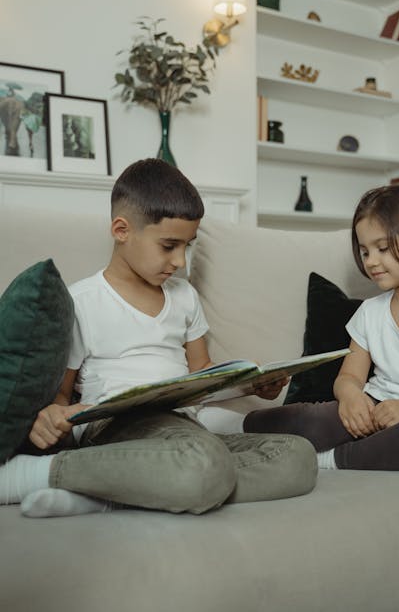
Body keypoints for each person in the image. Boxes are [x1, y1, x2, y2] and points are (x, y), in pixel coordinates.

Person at [0, 159, 316, 517]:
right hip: (112, 427)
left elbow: (203, 375)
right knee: (203, 461)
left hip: (183, 428)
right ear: (122, 230)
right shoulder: (84, 301)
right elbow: (61, 395)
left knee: (298, 456)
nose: (180, 261)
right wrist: (53, 415)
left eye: (187, 246)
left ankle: (108, 494)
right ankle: (34, 475)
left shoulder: (184, 297)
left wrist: (253, 384)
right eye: (168, 246)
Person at [244, 185, 399, 471]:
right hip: (374, 409)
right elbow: (349, 376)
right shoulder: (369, 312)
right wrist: (351, 397)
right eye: (364, 252)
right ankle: (237, 426)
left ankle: (332, 460)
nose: (371, 261)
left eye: (383, 248)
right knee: (305, 418)